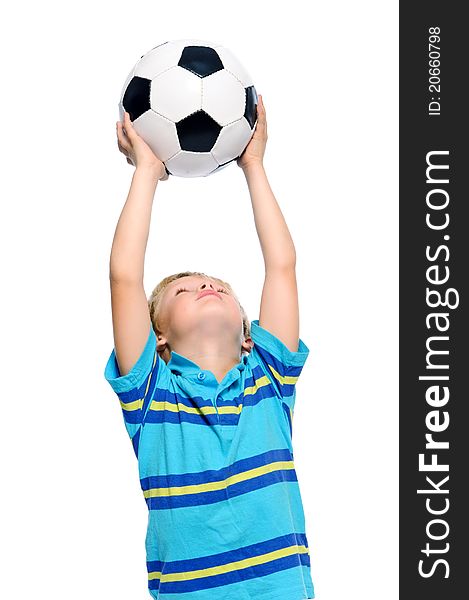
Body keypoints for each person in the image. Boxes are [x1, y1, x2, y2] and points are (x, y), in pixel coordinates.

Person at [104, 96, 315, 600]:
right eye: (184, 289)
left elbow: (281, 265)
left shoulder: (269, 377)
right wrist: (146, 173)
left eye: (219, 285)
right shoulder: (152, 396)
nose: (207, 287)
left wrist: (255, 166)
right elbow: (124, 276)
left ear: (248, 331)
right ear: (158, 338)